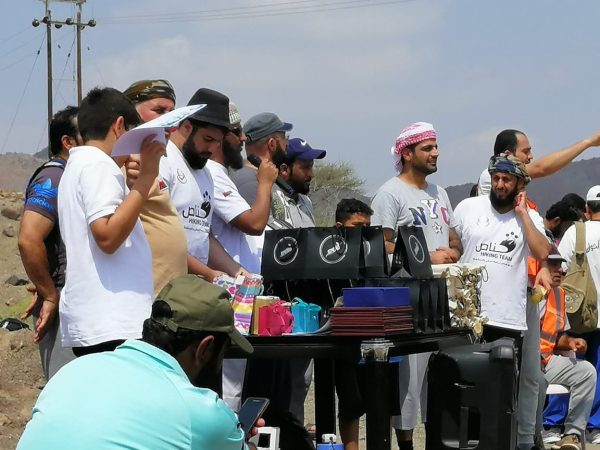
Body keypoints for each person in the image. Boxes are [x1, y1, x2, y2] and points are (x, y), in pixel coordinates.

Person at [17, 274, 256, 449]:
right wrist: (236, 437)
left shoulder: (74, 369)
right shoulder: (199, 410)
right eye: (223, 352)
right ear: (205, 349)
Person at [370, 122, 460, 450]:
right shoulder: (390, 193)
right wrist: (424, 256)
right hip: (409, 298)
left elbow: (452, 236)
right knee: (409, 379)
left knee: (440, 377)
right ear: (407, 154)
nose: (436, 153)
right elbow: (381, 244)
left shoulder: (440, 193)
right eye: (427, 148)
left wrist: (453, 250)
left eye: (436, 147)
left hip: (443, 297)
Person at [454, 155, 552, 450]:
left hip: (507, 320)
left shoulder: (529, 217)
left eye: (507, 179)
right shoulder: (468, 208)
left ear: (519, 184)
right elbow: (453, 244)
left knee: (503, 396)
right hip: (469, 318)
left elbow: (543, 252)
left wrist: (522, 215)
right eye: (496, 178)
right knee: (467, 391)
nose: (499, 184)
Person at [57, 87, 164, 356]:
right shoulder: (97, 165)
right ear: (119, 126)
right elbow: (106, 236)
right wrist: (146, 179)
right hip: (113, 321)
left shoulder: (80, 165)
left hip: (99, 319)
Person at [205, 102, 278, 410]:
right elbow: (254, 223)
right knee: (228, 387)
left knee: (237, 385)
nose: (243, 139)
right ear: (220, 137)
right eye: (236, 132)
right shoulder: (213, 173)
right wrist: (265, 182)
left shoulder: (220, 173)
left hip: (239, 290)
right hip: (226, 293)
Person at [18, 106, 80, 379]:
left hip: (75, 297)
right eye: (87, 133)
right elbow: (28, 240)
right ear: (68, 142)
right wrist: (49, 292)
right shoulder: (54, 177)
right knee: (68, 386)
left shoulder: (75, 175)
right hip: (62, 302)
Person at [160, 88, 245, 282]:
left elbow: (204, 234)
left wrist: (239, 272)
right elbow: (158, 234)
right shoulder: (164, 159)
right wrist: (209, 274)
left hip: (194, 286)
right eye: (208, 139)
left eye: (218, 142)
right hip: (165, 283)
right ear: (187, 127)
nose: (212, 149)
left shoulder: (205, 173)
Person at [123, 79, 188, 295]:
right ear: (131, 114)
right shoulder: (122, 162)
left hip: (169, 294)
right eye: (159, 111)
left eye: (172, 112)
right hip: (143, 294)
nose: (170, 121)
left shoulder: (153, 161)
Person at [552, 186, 600, 445]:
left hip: (576, 314)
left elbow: (559, 269)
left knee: (568, 368)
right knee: (597, 372)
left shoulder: (575, 232)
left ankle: (554, 423)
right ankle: (594, 426)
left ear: (587, 208)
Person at [538, 253, 596, 450]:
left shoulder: (559, 294)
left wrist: (571, 342)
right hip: (525, 361)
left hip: (547, 361)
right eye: (553, 265)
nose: (559, 270)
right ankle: (532, 435)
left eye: (560, 265)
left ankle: (572, 435)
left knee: (587, 372)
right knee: (533, 381)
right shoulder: (528, 291)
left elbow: (556, 337)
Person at [332, 198, 373, 450]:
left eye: (367, 227)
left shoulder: (373, 253)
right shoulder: (328, 257)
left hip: (371, 331)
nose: (362, 232)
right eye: (357, 226)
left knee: (376, 397)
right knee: (350, 400)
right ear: (340, 227)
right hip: (343, 335)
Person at [477, 128, 600, 196]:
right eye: (525, 151)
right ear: (508, 154)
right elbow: (541, 168)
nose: (531, 156)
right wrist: (589, 142)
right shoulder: (488, 175)